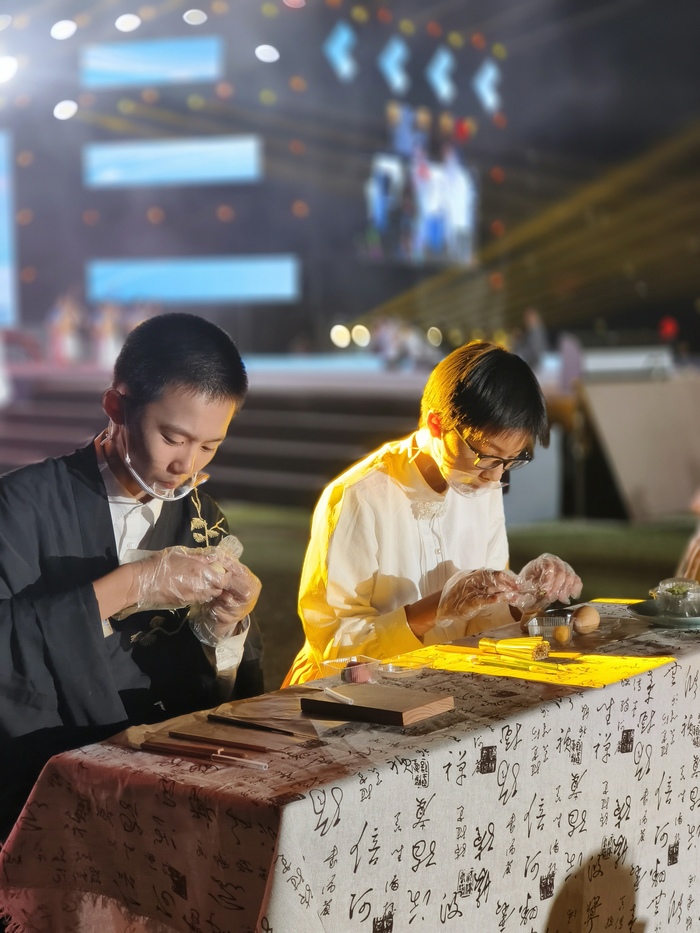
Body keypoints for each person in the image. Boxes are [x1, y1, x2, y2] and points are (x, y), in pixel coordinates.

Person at [0, 312, 263, 839]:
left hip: (168, 784)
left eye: (210, 446)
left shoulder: (201, 518)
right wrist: (127, 586)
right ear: (116, 406)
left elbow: (212, 687)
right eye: (173, 437)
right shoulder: (22, 505)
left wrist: (227, 628)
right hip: (48, 782)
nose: (186, 465)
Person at [284, 341, 581, 685]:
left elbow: (478, 623)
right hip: (352, 692)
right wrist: (432, 610)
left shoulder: (481, 482)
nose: (496, 476)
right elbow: (333, 644)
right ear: (437, 425)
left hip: (443, 681)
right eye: (487, 455)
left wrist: (522, 598)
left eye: (510, 461)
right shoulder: (360, 496)